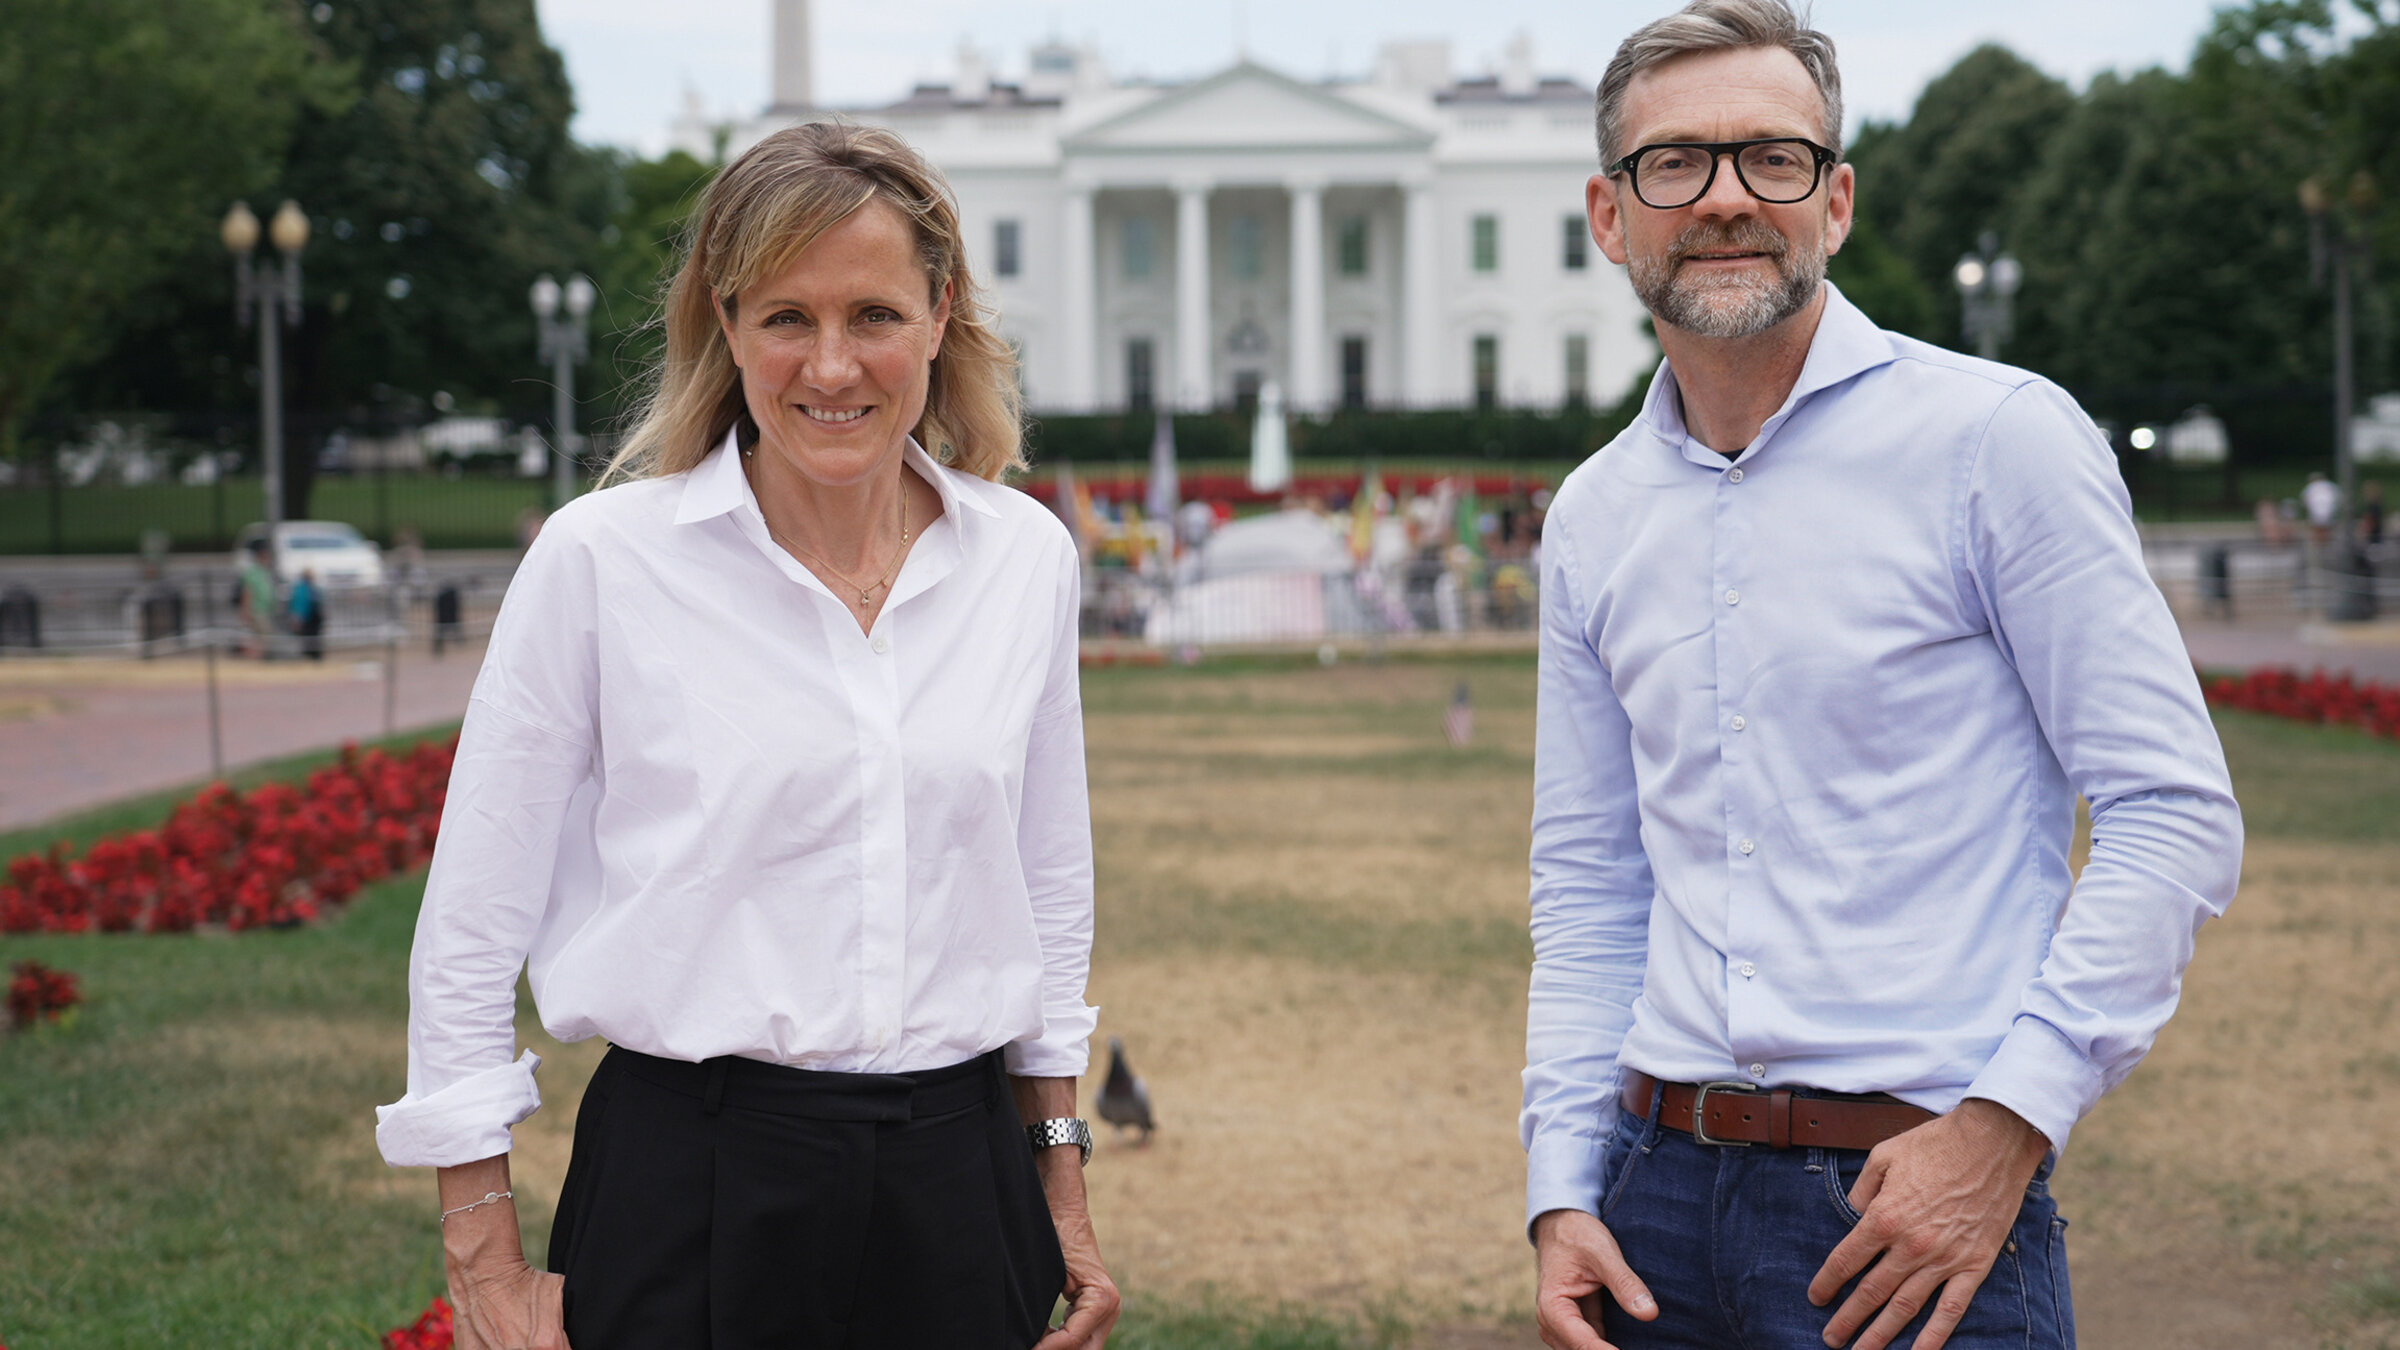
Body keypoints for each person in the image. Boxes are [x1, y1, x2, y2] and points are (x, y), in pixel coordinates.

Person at [1522, 5, 2243, 1350]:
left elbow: (2171, 811)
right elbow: (1591, 880)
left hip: (1913, 1199)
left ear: (1835, 200)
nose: (1727, 196)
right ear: (1611, 217)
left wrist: (2008, 1120)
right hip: (1651, 1199)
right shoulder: (1597, 512)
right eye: (1675, 163)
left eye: (1772, 160)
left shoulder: (1996, 441)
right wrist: (1562, 1186)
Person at [374, 122, 1119, 1350]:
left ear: (941, 314)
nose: (832, 367)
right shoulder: (601, 563)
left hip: (958, 1184)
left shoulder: (1022, 558)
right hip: (692, 1183)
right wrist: (483, 1253)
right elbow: (470, 924)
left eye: (874, 314)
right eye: (787, 317)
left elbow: (1047, 891)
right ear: (726, 324)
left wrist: (1062, 1180)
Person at [237, 539, 277, 658]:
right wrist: (245, 611)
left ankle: (258, 657)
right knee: (262, 635)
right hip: (256, 610)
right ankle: (255, 658)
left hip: (263, 609)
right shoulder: (252, 573)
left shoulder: (265, 571)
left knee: (263, 636)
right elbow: (247, 593)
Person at [288, 568, 324, 661]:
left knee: (311, 640)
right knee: (307, 640)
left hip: (312, 619)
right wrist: (297, 617)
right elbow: (299, 605)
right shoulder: (302, 588)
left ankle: (313, 656)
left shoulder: (310, 588)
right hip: (307, 619)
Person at [2302, 470, 2341, 548]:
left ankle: (2321, 546)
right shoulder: (2331, 486)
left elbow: (2305, 501)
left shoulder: (2311, 487)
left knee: (2320, 533)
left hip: (2317, 516)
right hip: (2328, 515)